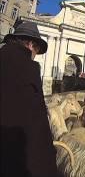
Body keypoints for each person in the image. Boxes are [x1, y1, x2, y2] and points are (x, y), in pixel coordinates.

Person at [0, 22, 59, 177]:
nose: (35, 56)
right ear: (31, 44)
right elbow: (37, 121)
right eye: (37, 51)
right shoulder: (29, 68)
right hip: (14, 156)